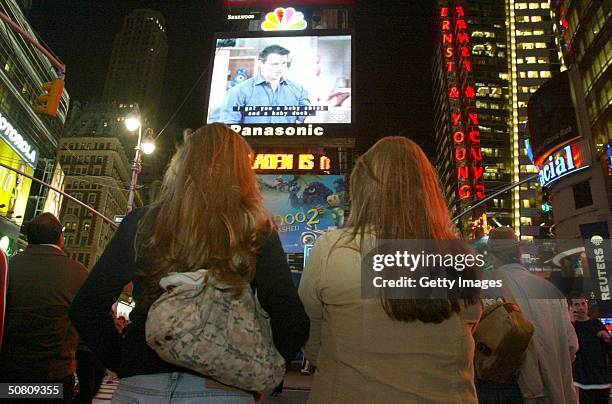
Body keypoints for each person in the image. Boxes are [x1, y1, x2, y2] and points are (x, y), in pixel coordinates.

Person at [69, 123, 309, 403]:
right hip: (222, 389)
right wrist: (258, 372)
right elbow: (292, 319)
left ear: (181, 165)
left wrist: (127, 363)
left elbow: (86, 307)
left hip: (142, 384)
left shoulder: (141, 223)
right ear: (242, 175)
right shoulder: (255, 231)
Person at [298, 137, 483, 403]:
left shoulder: (332, 249)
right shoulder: (462, 258)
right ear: (428, 190)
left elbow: (313, 341)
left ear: (362, 191)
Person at [477, 227, 578, 404]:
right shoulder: (550, 290)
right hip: (557, 390)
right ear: (519, 252)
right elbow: (571, 345)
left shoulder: (487, 288)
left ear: (492, 256)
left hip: (514, 390)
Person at [0, 213, 88, 402]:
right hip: (53, 375)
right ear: (61, 238)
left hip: (10, 374)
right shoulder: (77, 273)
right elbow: (88, 323)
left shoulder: (8, 267)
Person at [218, 44, 311, 124]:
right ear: (260, 63)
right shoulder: (239, 91)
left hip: (287, 143)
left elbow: (307, 119)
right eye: (275, 64)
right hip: (250, 144)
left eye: (283, 64)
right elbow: (228, 127)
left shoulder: (299, 90)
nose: (280, 68)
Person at [569, 294, 611, 403]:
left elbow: (609, 351)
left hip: (602, 381)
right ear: (571, 307)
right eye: (577, 305)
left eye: (583, 303)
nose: (581, 308)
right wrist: (570, 322)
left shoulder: (597, 324)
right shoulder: (571, 327)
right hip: (581, 382)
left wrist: (607, 339)